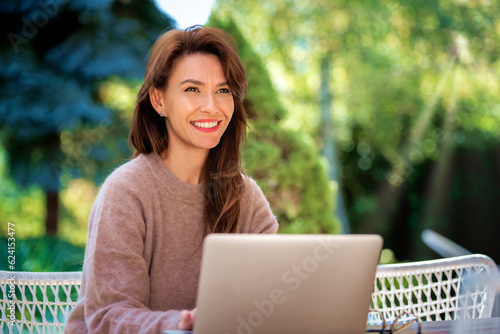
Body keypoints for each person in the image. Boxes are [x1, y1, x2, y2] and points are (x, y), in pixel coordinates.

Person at [64, 26, 278, 333]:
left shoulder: (246, 197)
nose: (211, 106)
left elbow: (271, 296)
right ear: (159, 100)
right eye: (192, 89)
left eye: (223, 90)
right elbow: (109, 316)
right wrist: (181, 323)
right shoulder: (125, 192)